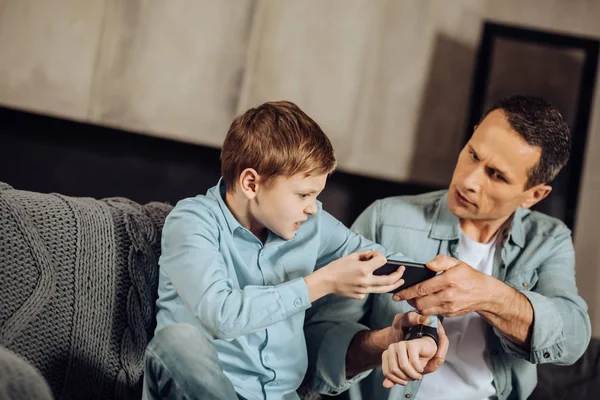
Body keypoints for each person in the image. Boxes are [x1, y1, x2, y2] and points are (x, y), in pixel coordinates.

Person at [142, 101, 446, 400]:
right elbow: (221, 316)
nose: (312, 208)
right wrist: (322, 282)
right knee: (177, 340)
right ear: (251, 183)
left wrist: (426, 330)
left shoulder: (312, 227)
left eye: (317, 194)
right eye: (303, 194)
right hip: (207, 389)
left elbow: (384, 262)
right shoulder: (193, 221)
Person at [305, 96, 591, 400]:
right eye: (472, 154)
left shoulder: (548, 239)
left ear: (534, 195)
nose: (469, 180)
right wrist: (385, 342)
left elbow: (572, 339)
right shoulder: (385, 218)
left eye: (496, 175)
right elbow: (317, 342)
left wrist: (489, 296)